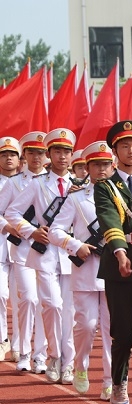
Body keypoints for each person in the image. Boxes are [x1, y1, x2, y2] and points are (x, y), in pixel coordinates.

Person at [5, 128, 78, 385]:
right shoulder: (37, 184)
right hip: (44, 253)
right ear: (50, 155)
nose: (62, 156)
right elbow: (13, 213)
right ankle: (54, 355)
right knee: (52, 305)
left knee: (68, 310)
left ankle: (67, 363)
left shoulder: (79, 186)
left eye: (66, 151)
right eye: (57, 151)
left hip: (70, 256)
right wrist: (31, 231)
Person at [94, 120, 132, 404]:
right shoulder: (105, 186)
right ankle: (118, 381)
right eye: (125, 146)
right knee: (121, 333)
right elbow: (109, 219)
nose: (131, 150)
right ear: (115, 151)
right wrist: (120, 252)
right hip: (118, 268)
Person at [48, 141, 114, 399]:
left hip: (115, 270)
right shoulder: (76, 198)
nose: (101, 169)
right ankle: (81, 366)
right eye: (96, 164)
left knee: (112, 329)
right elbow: (55, 231)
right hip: (86, 268)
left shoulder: (122, 197)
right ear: (87, 167)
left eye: (106, 164)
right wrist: (76, 245)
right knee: (86, 325)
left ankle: (111, 379)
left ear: (112, 166)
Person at [0, 132, 48, 373]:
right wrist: (12, 227)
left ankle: (40, 355)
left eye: (40, 152)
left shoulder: (55, 182)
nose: (36, 157)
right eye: (31, 152)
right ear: (25, 156)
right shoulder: (14, 182)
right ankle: (22, 349)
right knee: (27, 299)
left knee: (45, 303)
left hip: (50, 251)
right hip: (21, 248)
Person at [0, 137, 21, 362]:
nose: (8, 158)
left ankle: (18, 342)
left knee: (20, 297)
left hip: (23, 248)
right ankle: (1, 339)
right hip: (0, 244)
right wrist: (4, 225)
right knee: (0, 294)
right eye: (4, 155)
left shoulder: (28, 182)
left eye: (12, 155)